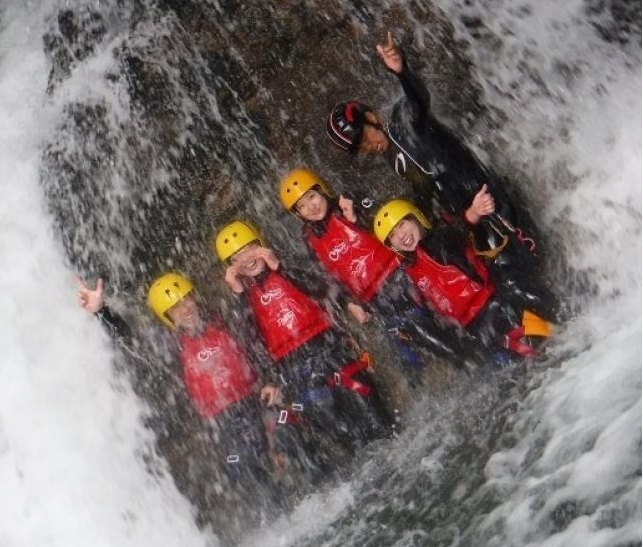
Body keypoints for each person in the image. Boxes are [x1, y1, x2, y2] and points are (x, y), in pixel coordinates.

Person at [326, 30, 539, 262]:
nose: (368, 146)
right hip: (470, 214)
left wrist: (402, 72)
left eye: (365, 137)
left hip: (488, 195)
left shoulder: (402, 120)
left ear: (371, 118)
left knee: (532, 250)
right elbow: (424, 187)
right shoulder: (391, 158)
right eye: (360, 148)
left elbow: (419, 100)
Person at [215, 220, 395, 469]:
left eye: (249, 248)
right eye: (237, 257)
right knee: (338, 427)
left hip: (329, 346)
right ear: (232, 268)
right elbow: (248, 339)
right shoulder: (242, 301)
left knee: (372, 411)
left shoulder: (286, 264)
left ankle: (393, 444)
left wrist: (281, 269)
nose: (246, 258)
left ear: (261, 244)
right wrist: (238, 294)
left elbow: (321, 287)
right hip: (295, 367)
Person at [78, 272, 286, 485]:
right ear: (168, 316)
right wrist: (102, 312)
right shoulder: (171, 344)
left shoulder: (224, 318)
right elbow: (130, 341)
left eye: (186, 299)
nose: (185, 309)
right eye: (176, 307)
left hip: (255, 402)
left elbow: (255, 343)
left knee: (287, 430)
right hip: (221, 423)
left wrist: (270, 379)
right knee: (241, 467)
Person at [279, 167, 473, 375]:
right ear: (298, 214)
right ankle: (455, 371)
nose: (311, 207)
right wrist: (351, 304)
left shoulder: (348, 202)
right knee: (407, 357)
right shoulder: (308, 238)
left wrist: (356, 219)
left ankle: (469, 362)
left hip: (401, 276)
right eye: (302, 206)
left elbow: (392, 225)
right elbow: (328, 276)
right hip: (374, 300)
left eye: (312, 196)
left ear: (322, 190)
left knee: (421, 327)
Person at [372, 187, 554, 360]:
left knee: (544, 329)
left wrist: (475, 211)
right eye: (393, 235)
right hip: (478, 332)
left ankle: (558, 318)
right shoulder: (410, 271)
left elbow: (458, 230)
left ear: (416, 218)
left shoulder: (439, 240)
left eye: (402, 224)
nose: (401, 235)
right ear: (392, 246)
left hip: (496, 304)